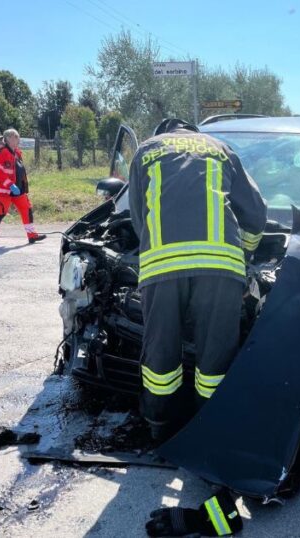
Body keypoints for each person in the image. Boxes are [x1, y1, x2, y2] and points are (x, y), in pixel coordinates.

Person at [128, 118, 267, 443]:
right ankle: (209, 433)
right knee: (215, 360)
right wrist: (246, 254)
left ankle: (160, 429)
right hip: (220, 269)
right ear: (194, 132)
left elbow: (138, 218)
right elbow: (256, 215)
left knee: (160, 356)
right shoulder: (221, 149)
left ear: (164, 133)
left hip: (162, 268)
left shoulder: (146, 150)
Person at [0, 129, 44, 245]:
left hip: (18, 190)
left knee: (26, 210)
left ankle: (32, 236)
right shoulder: (0, 153)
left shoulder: (17, 153)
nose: (18, 139)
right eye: (16, 137)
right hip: (2, 191)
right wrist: (10, 185)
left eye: (18, 137)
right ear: (8, 138)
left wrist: (21, 186)